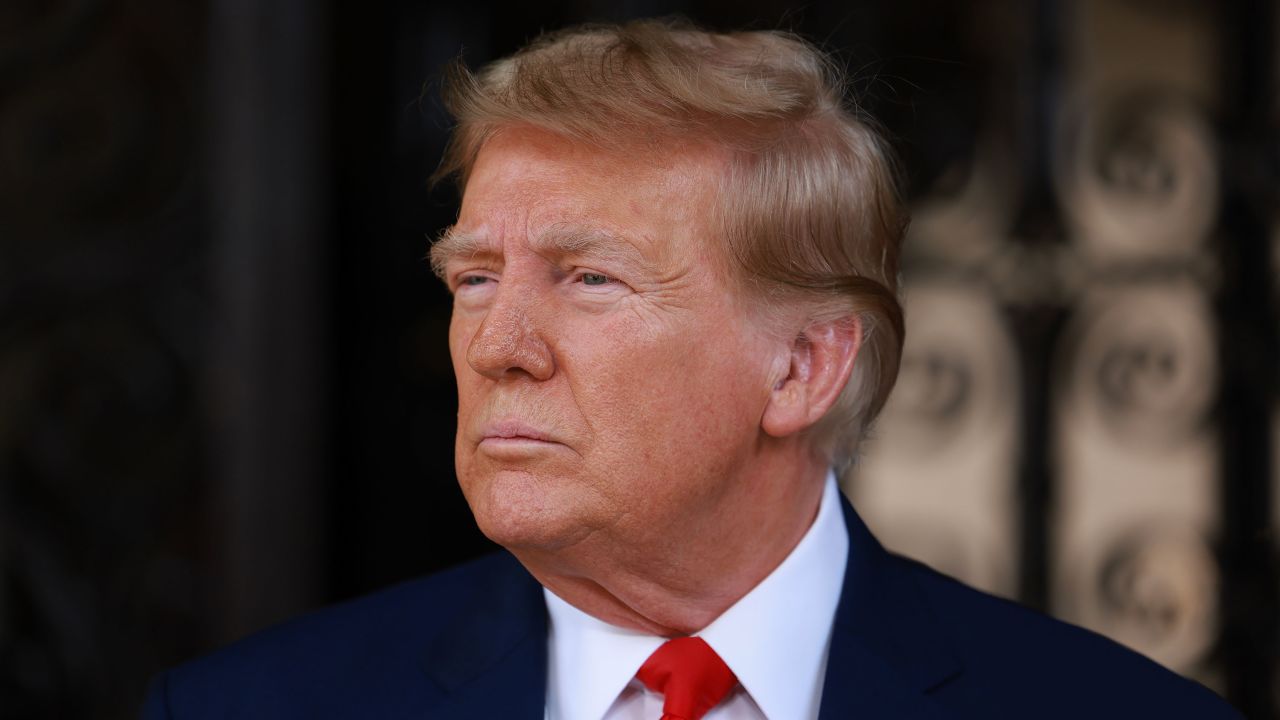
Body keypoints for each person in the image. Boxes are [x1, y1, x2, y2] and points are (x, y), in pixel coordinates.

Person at [141, 19, 1241, 719]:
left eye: (589, 281)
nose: (495, 345)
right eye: (474, 278)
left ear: (802, 368)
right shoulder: (252, 707)